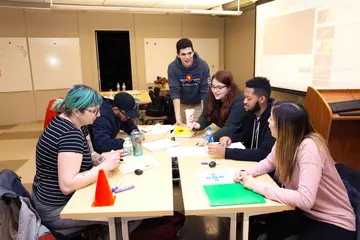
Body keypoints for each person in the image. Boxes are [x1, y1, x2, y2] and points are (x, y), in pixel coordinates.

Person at [234, 101, 356, 240]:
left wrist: (256, 186)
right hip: (308, 213)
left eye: (271, 118)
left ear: (284, 126)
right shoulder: (285, 140)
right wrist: (247, 172)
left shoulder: (310, 148)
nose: (268, 121)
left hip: (333, 221)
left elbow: (305, 199)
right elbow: (269, 162)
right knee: (265, 233)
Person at [32, 85, 122, 232]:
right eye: (94, 111)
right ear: (76, 111)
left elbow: (89, 153)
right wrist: (104, 167)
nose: (98, 115)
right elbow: (67, 186)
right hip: (56, 209)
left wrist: (103, 160)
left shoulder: (77, 123)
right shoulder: (69, 135)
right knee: (120, 216)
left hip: (46, 197)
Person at [207, 77, 275, 161]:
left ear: (261, 99)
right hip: (251, 164)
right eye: (244, 97)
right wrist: (230, 138)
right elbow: (245, 135)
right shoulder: (252, 112)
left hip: (267, 171)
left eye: (249, 98)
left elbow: (264, 154)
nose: (245, 101)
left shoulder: (274, 119)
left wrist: (226, 152)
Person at [193, 70, 245, 143]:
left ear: (229, 87)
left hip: (237, 137)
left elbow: (230, 127)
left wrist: (210, 138)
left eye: (219, 87)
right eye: (213, 87)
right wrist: (198, 125)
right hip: (223, 135)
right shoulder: (211, 94)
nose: (215, 91)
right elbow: (206, 116)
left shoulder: (239, 100)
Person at [168, 38, 210, 126]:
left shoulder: (203, 66)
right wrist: (177, 115)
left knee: (199, 129)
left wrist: (204, 116)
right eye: (183, 54)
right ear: (178, 55)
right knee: (184, 131)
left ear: (193, 52)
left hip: (198, 105)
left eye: (189, 53)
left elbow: (204, 92)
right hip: (182, 106)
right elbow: (175, 91)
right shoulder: (173, 67)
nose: (187, 57)